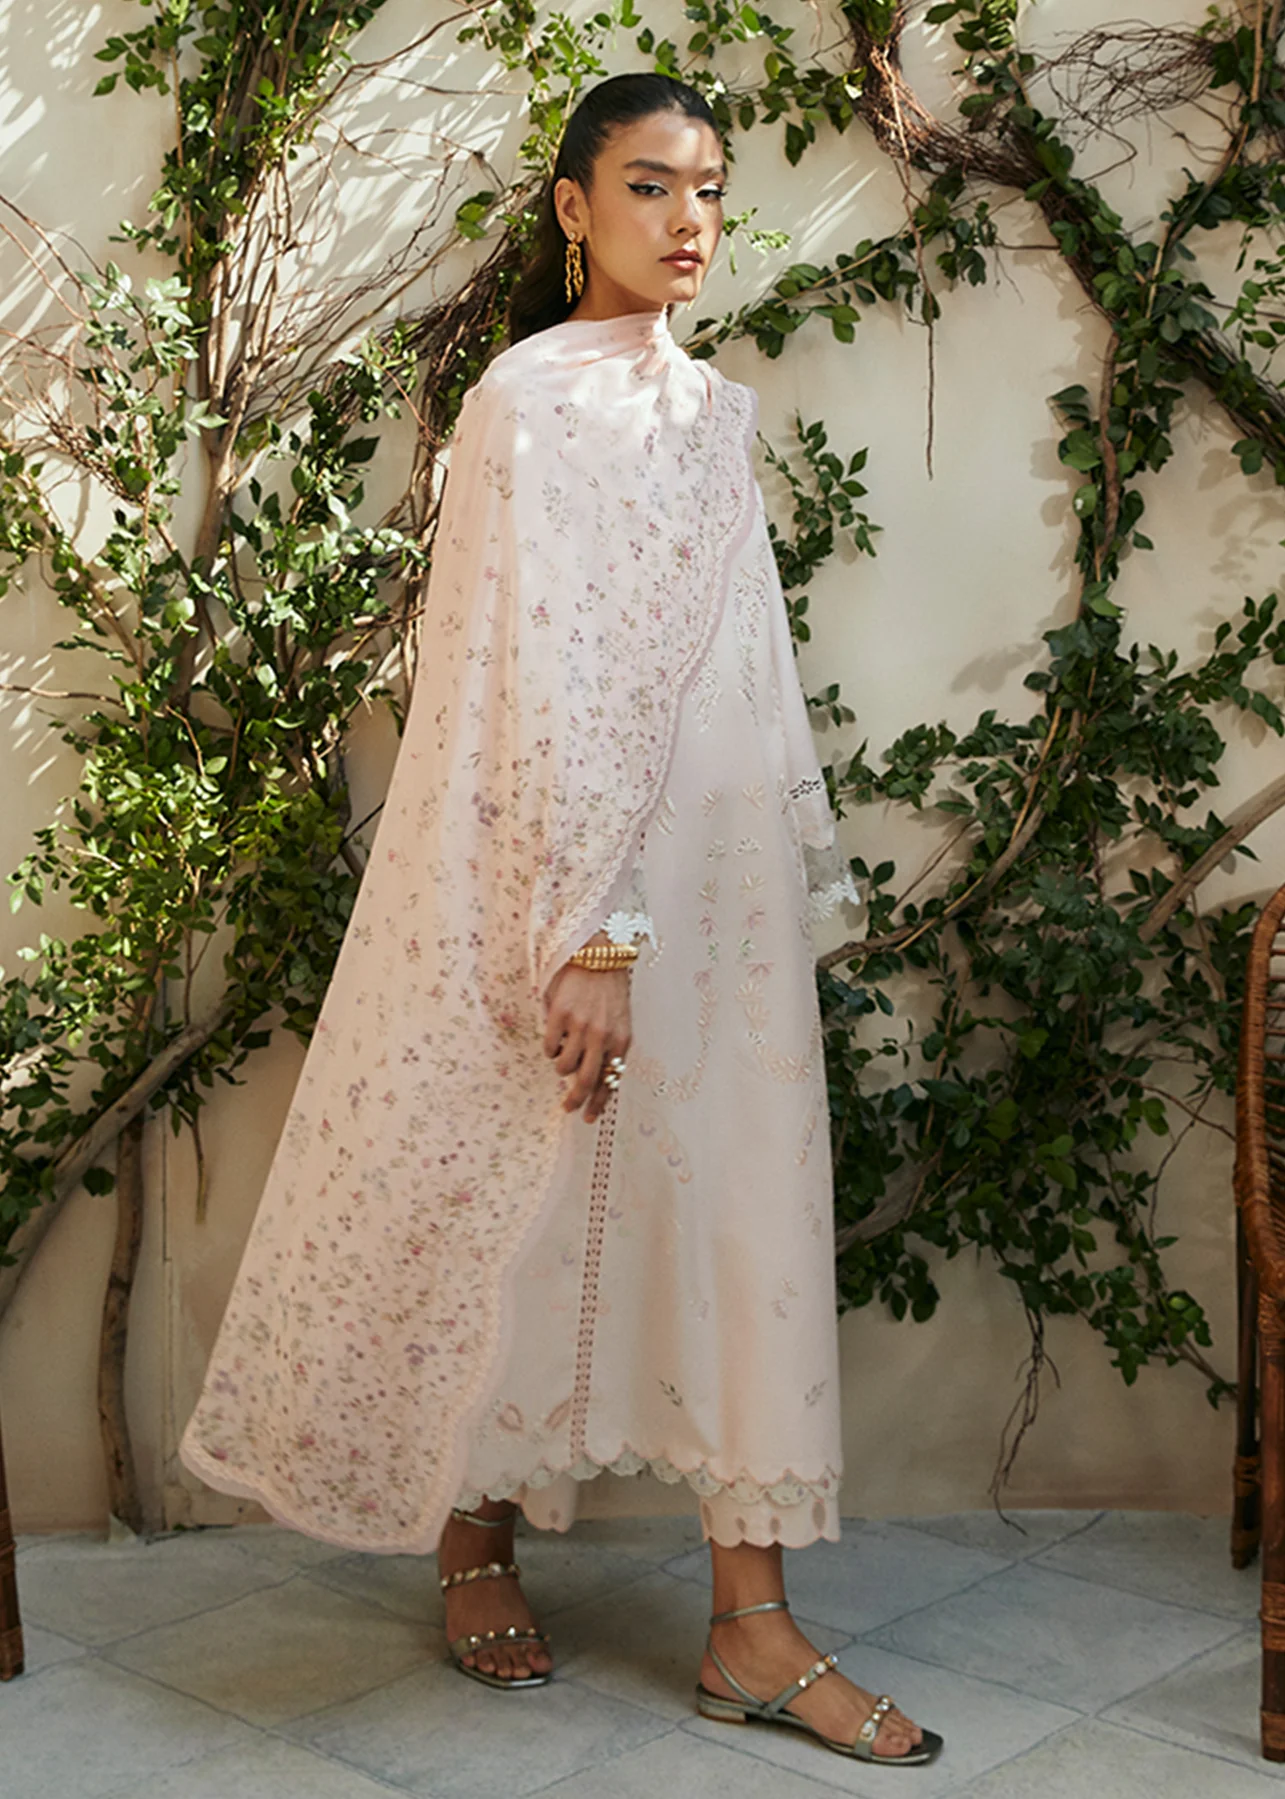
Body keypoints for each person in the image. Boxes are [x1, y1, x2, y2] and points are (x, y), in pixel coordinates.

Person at [179, 70, 942, 1770]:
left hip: (716, 896)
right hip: (561, 883)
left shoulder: (713, 412)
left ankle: (750, 1622)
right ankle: (475, 1536)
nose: (689, 219)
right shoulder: (526, 405)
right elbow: (528, 679)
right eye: (651, 184)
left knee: (732, 1212)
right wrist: (592, 930)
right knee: (512, 1185)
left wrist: (750, 889)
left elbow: (737, 665)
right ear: (573, 208)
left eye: (710, 188)